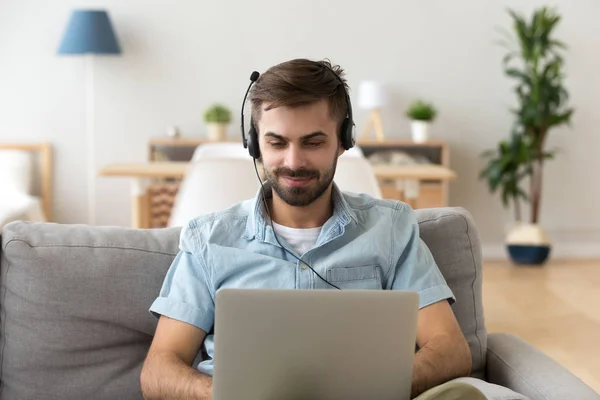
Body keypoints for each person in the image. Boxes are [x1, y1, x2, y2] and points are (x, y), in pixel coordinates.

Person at [140, 58, 511, 400]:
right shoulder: (208, 239)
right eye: (276, 142)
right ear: (254, 144)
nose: (293, 161)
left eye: (313, 142)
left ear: (343, 141)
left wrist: (366, 389)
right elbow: (159, 369)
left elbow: (449, 348)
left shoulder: (392, 228)